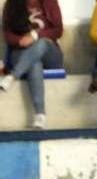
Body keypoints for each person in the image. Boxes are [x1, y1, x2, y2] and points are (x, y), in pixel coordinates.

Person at [0, 0, 64, 129]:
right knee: (34, 63)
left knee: (42, 43)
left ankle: (12, 76)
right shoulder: (11, 4)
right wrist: (21, 41)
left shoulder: (50, 2)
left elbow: (58, 30)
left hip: (49, 53)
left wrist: (35, 36)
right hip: (21, 51)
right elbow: (8, 36)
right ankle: (40, 115)